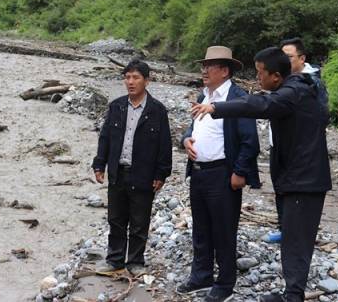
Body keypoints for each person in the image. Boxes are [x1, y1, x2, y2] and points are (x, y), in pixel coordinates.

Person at [192, 47, 332, 302]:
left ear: (276, 76)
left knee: (297, 241)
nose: (257, 79)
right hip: (294, 178)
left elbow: (260, 104)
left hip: (304, 180)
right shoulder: (292, 89)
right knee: (291, 236)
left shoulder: (293, 92)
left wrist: (217, 108)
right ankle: (292, 293)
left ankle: (293, 296)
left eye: (260, 73)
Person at [176, 46, 260, 302]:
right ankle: (201, 275)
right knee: (201, 228)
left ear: (224, 70)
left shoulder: (237, 97)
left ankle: (225, 282)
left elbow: (250, 141)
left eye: (209, 65)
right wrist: (186, 140)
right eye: (204, 65)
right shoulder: (204, 95)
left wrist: (240, 172)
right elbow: (192, 129)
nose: (204, 70)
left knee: (224, 230)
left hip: (223, 173)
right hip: (199, 172)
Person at [92, 59, 172, 276]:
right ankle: (115, 259)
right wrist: (100, 164)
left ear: (146, 80)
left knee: (139, 221)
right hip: (118, 171)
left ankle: (135, 261)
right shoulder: (116, 106)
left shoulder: (157, 111)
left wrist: (161, 173)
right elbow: (105, 138)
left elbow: (165, 145)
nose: (130, 82)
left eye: (136, 77)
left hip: (144, 174)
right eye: (127, 77)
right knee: (116, 219)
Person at [264, 38, 329, 244]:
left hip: (299, 148)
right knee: (279, 186)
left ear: (302, 58)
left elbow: (321, 115)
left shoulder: (312, 83)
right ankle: (284, 228)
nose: (285, 60)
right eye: (283, 57)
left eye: (289, 57)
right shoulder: (283, 80)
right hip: (278, 145)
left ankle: (297, 233)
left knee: (295, 191)